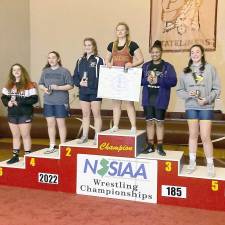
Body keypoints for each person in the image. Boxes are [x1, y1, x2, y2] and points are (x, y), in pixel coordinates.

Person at [177, 44, 220, 177]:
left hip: (206, 107)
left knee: (205, 136)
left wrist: (206, 99)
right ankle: (192, 162)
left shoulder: (210, 68)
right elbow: (179, 90)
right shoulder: (185, 71)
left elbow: (217, 89)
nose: (194, 54)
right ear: (190, 55)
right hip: (191, 107)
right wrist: (188, 94)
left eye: (197, 52)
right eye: (192, 52)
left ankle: (210, 164)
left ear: (202, 54)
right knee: (193, 135)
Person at [105, 22, 144, 134]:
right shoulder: (111, 45)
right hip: (115, 77)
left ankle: (133, 126)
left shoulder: (132, 44)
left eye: (122, 30)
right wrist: (107, 63)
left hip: (127, 77)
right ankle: (115, 125)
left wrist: (132, 64)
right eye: (118, 30)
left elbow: (141, 59)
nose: (120, 32)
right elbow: (107, 59)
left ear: (126, 31)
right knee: (116, 103)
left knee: (129, 103)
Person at [141, 40, 177, 156]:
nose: (154, 54)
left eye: (157, 52)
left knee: (160, 123)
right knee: (149, 122)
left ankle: (160, 146)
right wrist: (146, 80)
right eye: (153, 52)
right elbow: (138, 81)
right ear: (150, 53)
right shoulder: (146, 66)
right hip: (148, 99)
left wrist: (159, 80)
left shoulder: (167, 66)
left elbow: (173, 81)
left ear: (161, 52)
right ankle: (150, 146)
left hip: (160, 99)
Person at [1, 64, 38, 164]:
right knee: (15, 136)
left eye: (18, 69)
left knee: (25, 135)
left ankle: (28, 156)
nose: (16, 71)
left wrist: (20, 102)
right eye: (14, 70)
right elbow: (4, 98)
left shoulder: (29, 84)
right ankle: (15, 156)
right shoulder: (8, 85)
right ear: (12, 72)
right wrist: (7, 103)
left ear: (22, 71)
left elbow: (34, 99)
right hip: (12, 114)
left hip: (25, 114)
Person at [39, 51, 73, 154]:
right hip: (48, 102)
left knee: (61, 124)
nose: (51, 60)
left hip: (61, 101)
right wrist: (45, 89)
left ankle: (62, 145)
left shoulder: (64, 71)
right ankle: (52, 145)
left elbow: (71, 85)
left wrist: (58, 87)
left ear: (58, 59)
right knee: (50, 124)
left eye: (53, 57)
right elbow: (40, 84)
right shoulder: (45, 71)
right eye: (49, 58)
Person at [73, 37, 104, 144]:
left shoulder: (99, 60)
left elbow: (103, 77)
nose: (87, 47)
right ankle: (84, 136)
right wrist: (79, 83)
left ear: (94, 46)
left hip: (95, 91)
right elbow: (75, 76)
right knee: (85, 114)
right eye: (85, 45)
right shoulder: (80, 60)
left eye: (89, 45)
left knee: (96, 114)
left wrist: (91, 84)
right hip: (83, 91)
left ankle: (97, 136)